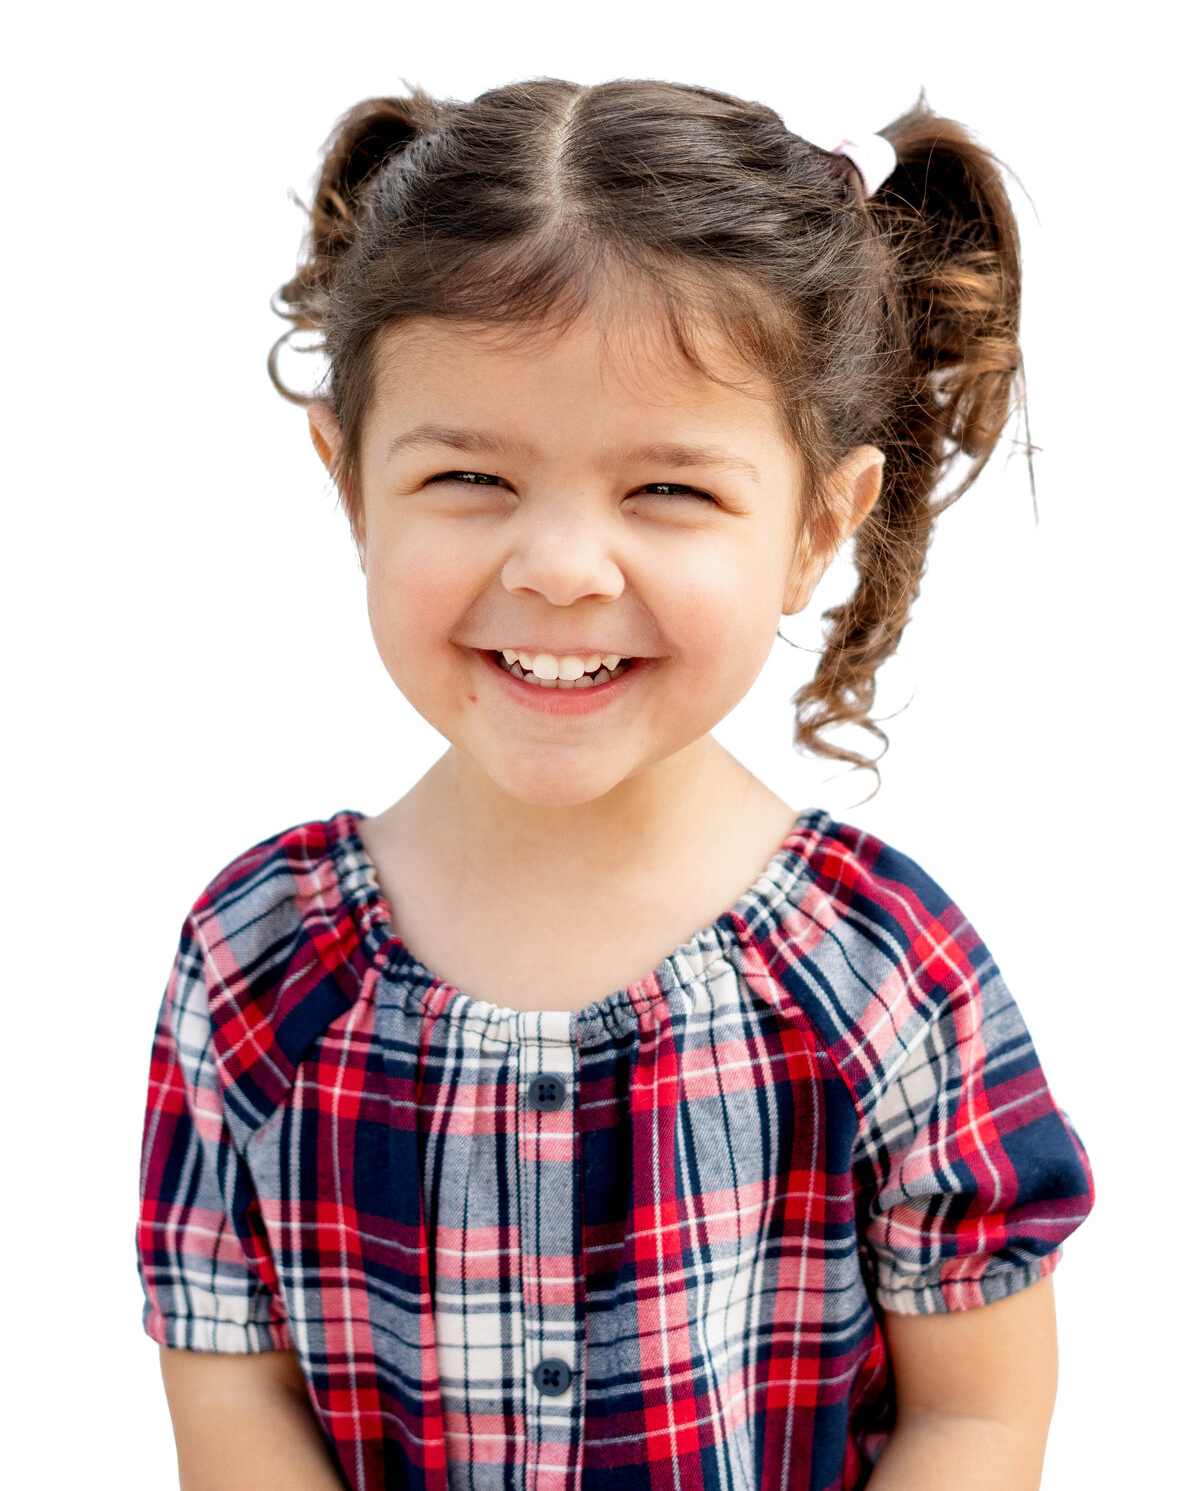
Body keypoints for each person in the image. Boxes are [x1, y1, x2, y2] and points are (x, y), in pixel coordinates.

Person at [136, 78, 1094, 1491]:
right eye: (469, 473)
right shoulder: (257, 960)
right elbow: (232, 1389)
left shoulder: (885, 969)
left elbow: (977, 1413)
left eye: (668, 491)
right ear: (351, 486)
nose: (563, 568)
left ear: (818, 524)